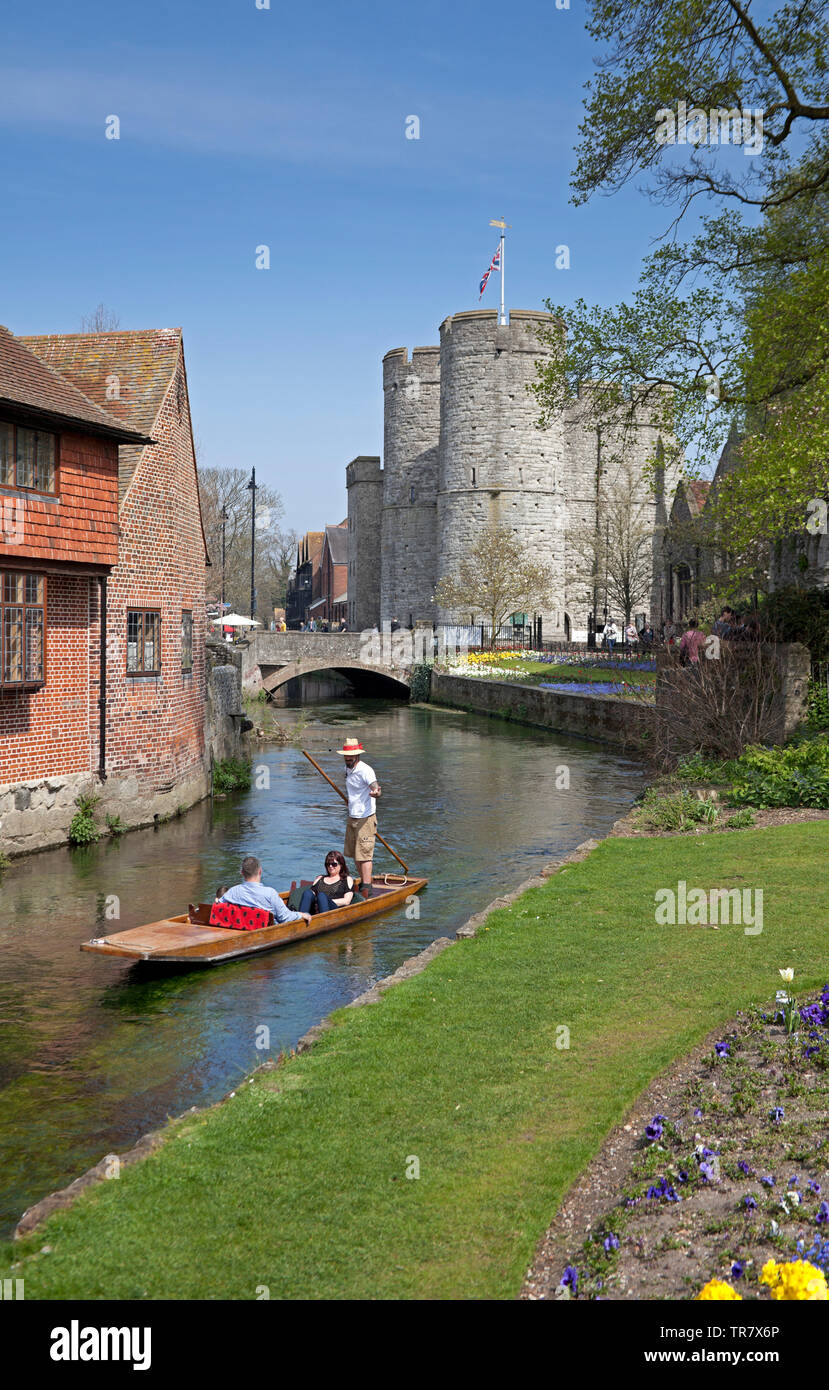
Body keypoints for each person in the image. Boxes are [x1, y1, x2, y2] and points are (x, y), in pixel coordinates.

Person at [337, 737, 381, 898]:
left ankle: (367, 888)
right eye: (346, 757)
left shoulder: (366, 770)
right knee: (355, 853)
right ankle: (363, 881)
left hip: (365, 817)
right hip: (352, 815)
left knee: (365, 854)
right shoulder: (347, 768)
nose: (348, 759)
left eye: (350, 757)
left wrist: (375, 793)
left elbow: (376, 789)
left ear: (357, 756)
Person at [219, 855, 311, 924]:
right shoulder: (270, 893)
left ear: (242, 873)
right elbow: (285, 917)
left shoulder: (232, 892)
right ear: (260, 871)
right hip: (264, 930)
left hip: (242, 927)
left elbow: (218, 906)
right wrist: (301, 915)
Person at [298, 851, 356, 915]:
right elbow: (310, 896)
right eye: (328, 864)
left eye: (334, 864)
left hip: (334, 910)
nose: (330, 866)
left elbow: (346, 901)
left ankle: (324, 920)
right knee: (307, 892)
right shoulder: (320, 878)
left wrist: (324, 901)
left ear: (341, 865)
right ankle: (301, 918)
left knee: (321, 896)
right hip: (317, 909)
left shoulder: (347, 879)